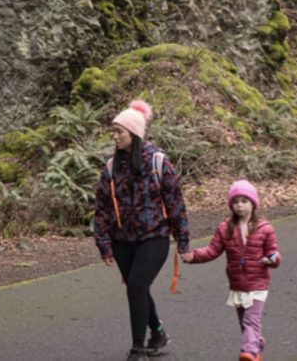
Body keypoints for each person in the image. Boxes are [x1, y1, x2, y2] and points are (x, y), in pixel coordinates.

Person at [93, 99, 191, 360]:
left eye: (119, 131)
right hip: (122, 239)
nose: (114, 136)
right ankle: (157, 331)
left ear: (133, 133)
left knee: (136, 285)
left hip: (154, 237)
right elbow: (102, 208)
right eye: (113, 131)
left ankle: (138, 349)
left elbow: (175, 203)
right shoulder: (111, 168)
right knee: (138, 288)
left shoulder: (158, 163)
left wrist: (183, 242)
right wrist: (103, 244)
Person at [182, 180, 282, 361]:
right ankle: (256, 345)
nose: (240, 206)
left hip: (258, 283)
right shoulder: (224, 228)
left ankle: (249, 353)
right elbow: (213, 250)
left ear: (253, 203)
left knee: (251, 321)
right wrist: (193, 256)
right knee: (245, 324)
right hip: (237, 283)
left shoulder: (265, 228)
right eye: (236, 202)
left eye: (244, 201)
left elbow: (274, 253)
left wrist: (272, 259)